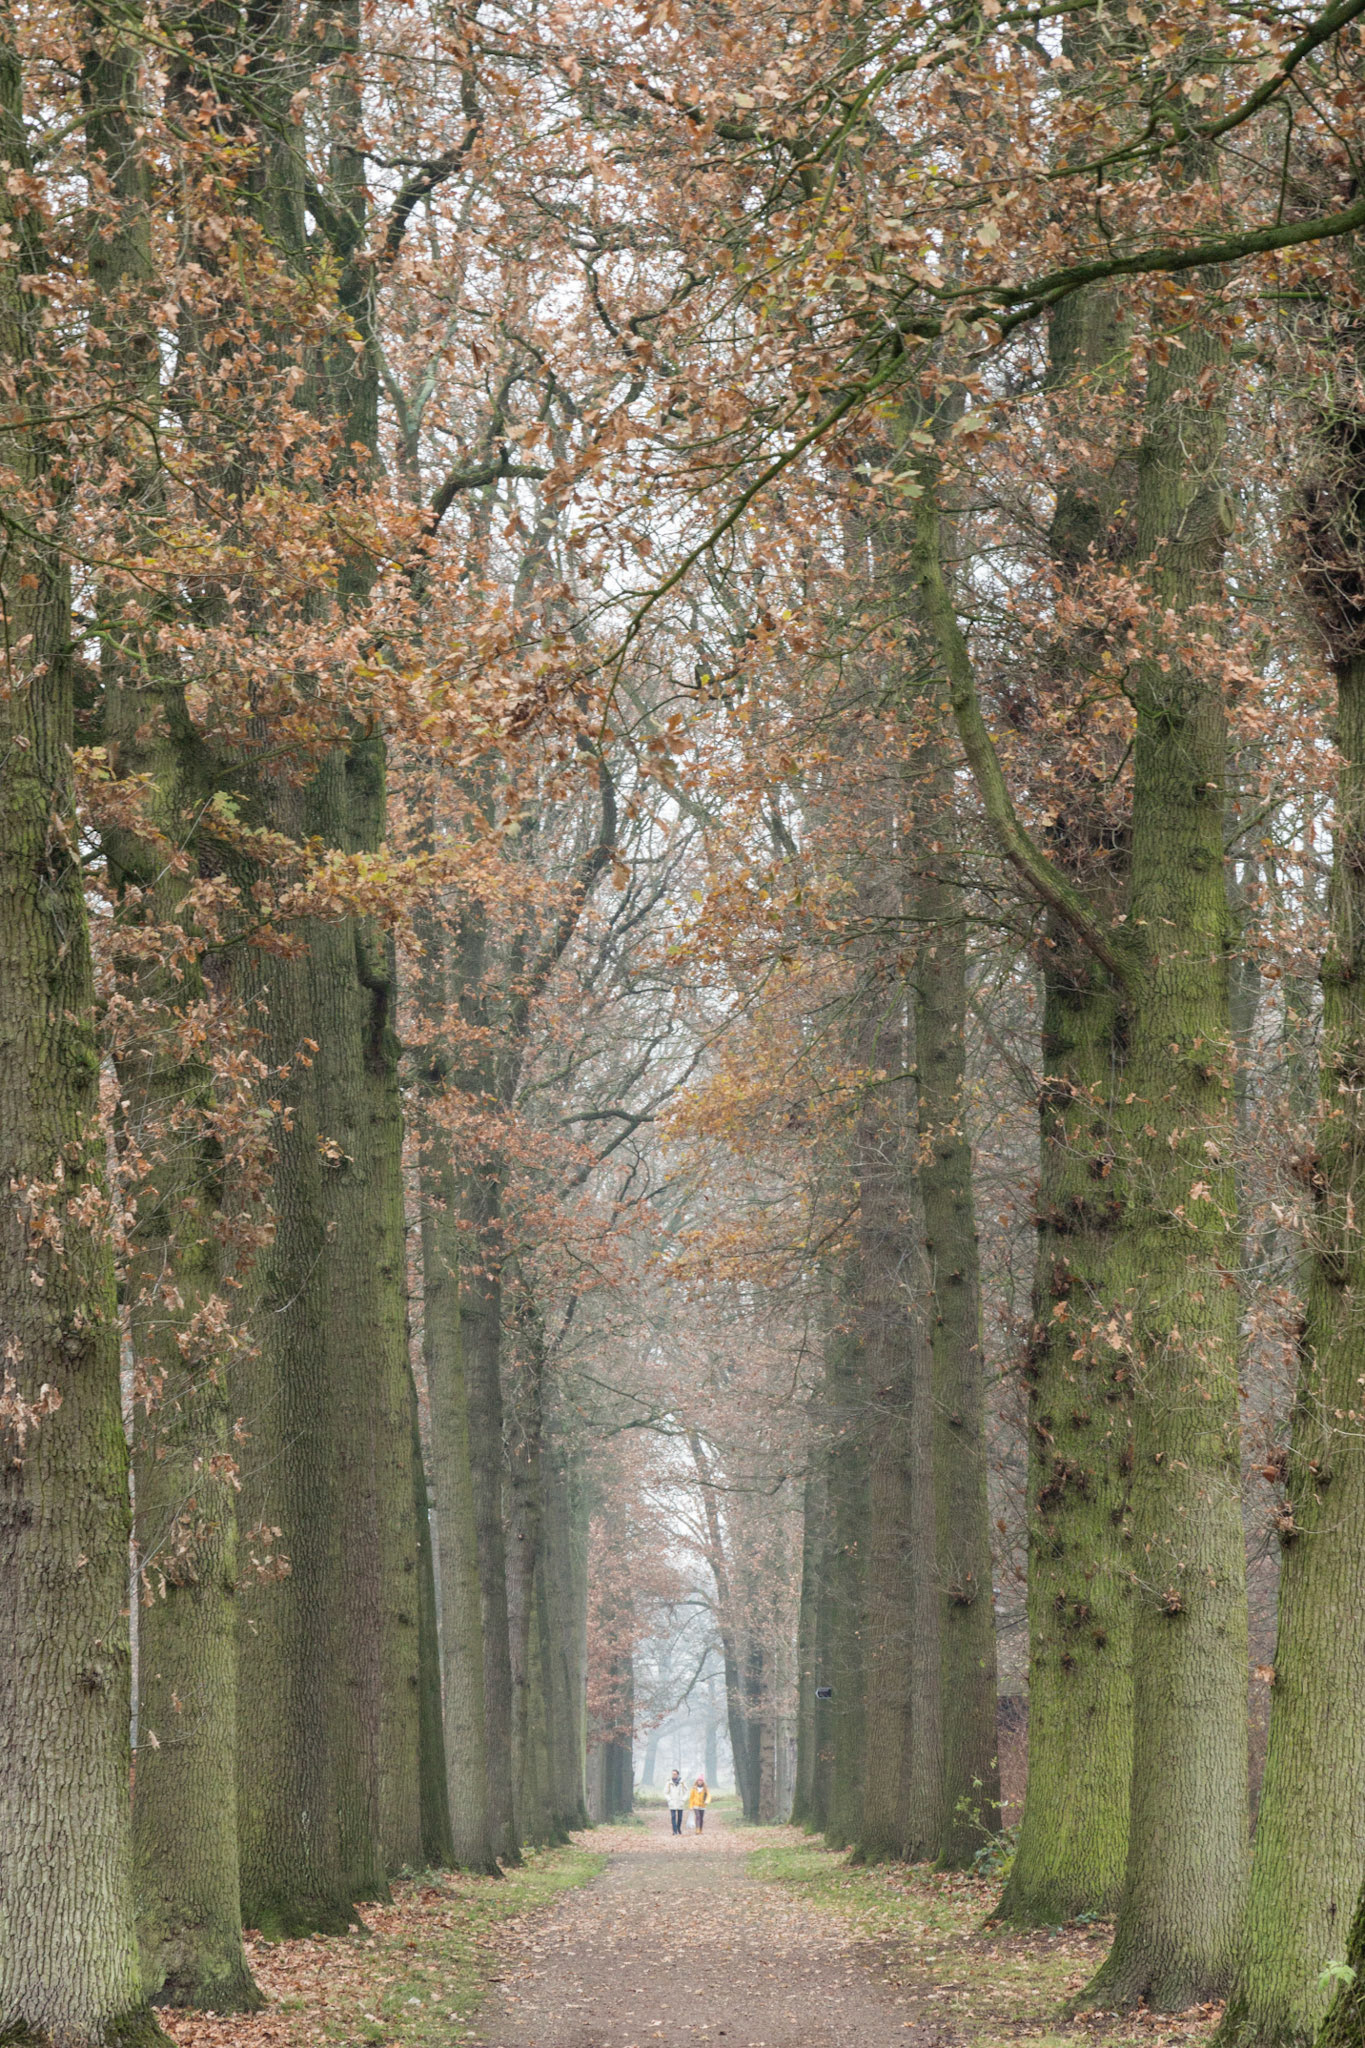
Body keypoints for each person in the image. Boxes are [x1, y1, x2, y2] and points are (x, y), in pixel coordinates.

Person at [665, 1768, 687, 1834]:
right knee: (673, 1816)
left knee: (680, 1818)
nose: (673, 1775)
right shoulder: (669, 1782)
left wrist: (683, 1799)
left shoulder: (682, 1782)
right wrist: (669, 1799)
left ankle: (678, 1828)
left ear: (677, 1774)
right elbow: (666, 1792)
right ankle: (674, 1831)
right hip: (672, 1802)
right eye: (672, 1774)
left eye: (675, 1774)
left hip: (680, 1802)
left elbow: (686, 1792)